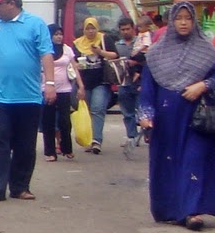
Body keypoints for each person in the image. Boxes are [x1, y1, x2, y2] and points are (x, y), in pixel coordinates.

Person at [137, 2, 215, 230]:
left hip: (197, 117)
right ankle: (174, 210)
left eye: (188, 18)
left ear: (194, 22)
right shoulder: (155, 54)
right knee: (169, 162)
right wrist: (145, 116)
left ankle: (192, 212)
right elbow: (147, 90)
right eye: (179, 18)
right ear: (172, 22)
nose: (184, 22)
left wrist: (203, 85)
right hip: (166, 119)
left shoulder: (207, 50)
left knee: (193, 160)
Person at [0, 0, 55, 202]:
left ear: (11, 3)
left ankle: (20, 187)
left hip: (28, 96)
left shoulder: (35, 24)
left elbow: (46, 55)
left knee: (25, 144)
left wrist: (50, 84)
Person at [73, 18, 117, 154]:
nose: (91, 31)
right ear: (84, 30)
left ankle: (96, 141)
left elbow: (115, 55)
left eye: (93, 28)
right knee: (88, 111)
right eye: (88, 28)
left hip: (101, 81)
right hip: (85, 82)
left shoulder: (104, 39)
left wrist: (100, 52)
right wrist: (77, 67)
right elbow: (72, 63)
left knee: (98, 109)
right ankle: (89, 139)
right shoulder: (78, 43)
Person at [41, 24, 83, 162]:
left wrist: (81, 86)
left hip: (65, 90)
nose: (59, 37)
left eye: (60, 34)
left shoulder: (67, 49)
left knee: (65, 121)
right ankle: (50, 152)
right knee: (48, 121)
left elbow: (74, 68)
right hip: (46, 90)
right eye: (56, 34)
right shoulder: (43, 50)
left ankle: (67, 149)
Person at [113, 16, 144, 151]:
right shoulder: (117, 46)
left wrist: (136, 63)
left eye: (128, 29)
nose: (125, 32)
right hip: (124, 83)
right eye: (123, 29)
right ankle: (132, 136)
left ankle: (147, 135)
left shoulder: (141, 43)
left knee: (142, 110)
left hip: (140, 82)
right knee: (127, 112)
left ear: (133, 28)